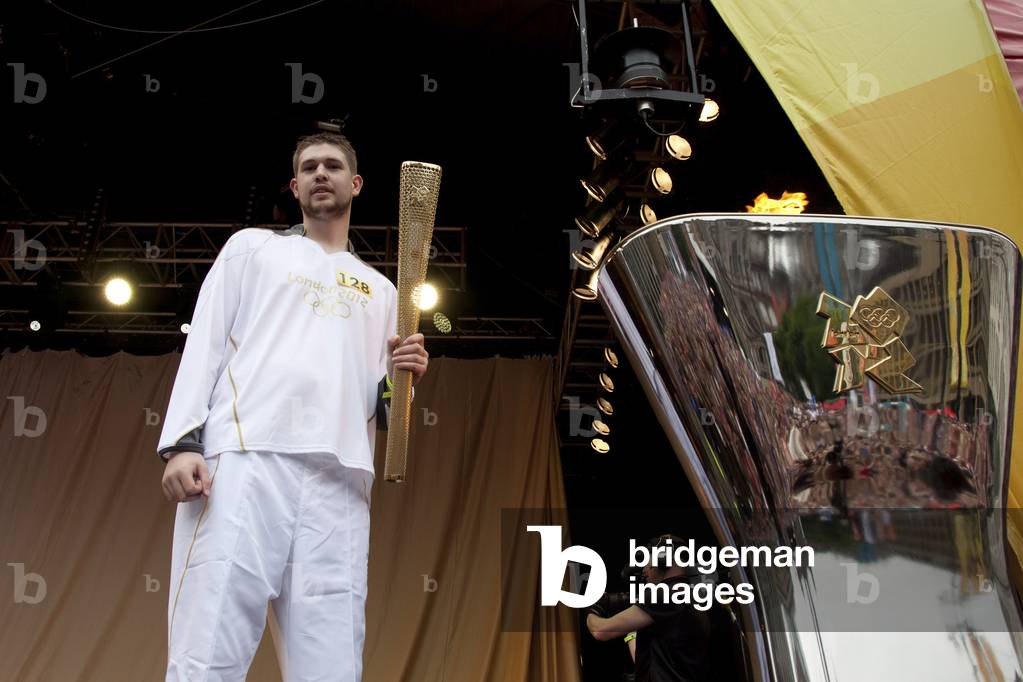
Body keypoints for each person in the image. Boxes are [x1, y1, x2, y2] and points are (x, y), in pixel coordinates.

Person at [157, 132, 428, 681]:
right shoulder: (252, 248)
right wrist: (182, 443)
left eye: (333, 166)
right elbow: (206, 341)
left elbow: (379, 401)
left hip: (340, 479)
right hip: (246, 459)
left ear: (356, 184)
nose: (320, 174)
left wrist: (404, 379)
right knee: (208, 645)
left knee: (332, 663)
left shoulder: (383, 291)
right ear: (295, 185)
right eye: (309, 167)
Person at [585, 535, 737, 682]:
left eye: (649, 558)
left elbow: (600, 631)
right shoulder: (690, 596)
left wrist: (592, 609)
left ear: (663, 558)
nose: (644, 569)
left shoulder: (664, 594)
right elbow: (648, 664)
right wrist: (630, 627)